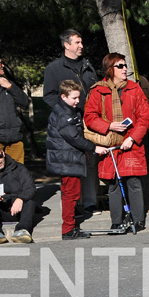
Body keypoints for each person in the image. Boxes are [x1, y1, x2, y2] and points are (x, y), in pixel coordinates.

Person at [84, 53, 149, 231]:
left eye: (125, 65)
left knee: (134, 182)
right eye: (120, 66)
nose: (125, 69)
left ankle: (138, 220)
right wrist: (109, 125)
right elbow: (89, 117)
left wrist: (132, 138)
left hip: (131, 144)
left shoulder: (134, 88)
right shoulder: (98, 90)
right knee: (112, 183)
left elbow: (144, 118)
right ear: (109, 69)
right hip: (110, 142)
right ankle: (116, 220)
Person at [42, 29, 100, 216]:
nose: (81, 46)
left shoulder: (88, 66)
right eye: (77, 42)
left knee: (90, 160)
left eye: (81, 42)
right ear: (66, 45)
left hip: (90, 120)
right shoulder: (54, 68)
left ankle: (90, 202)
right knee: (70, 164)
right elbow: (49, 96)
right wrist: (65, 111)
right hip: (67, 122)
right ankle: (72, 205)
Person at [47, 80, 108, 240]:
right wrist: (94, 147)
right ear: (63, 96)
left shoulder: (69, 110)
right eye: (74, 97)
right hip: (66, 160)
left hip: (70, 158)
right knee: (70, 194)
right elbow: (73, 137)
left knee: (72, 193)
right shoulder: (63, 114)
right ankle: (68, 229)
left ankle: (71, 225)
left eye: (78, 97)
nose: (77, 101)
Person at [0, 144, 36, 245]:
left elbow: (30, 187)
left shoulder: (19, 168)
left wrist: (20, 199)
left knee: (30, 202)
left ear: (3, 153)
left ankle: (22, 230)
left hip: (17, 208)